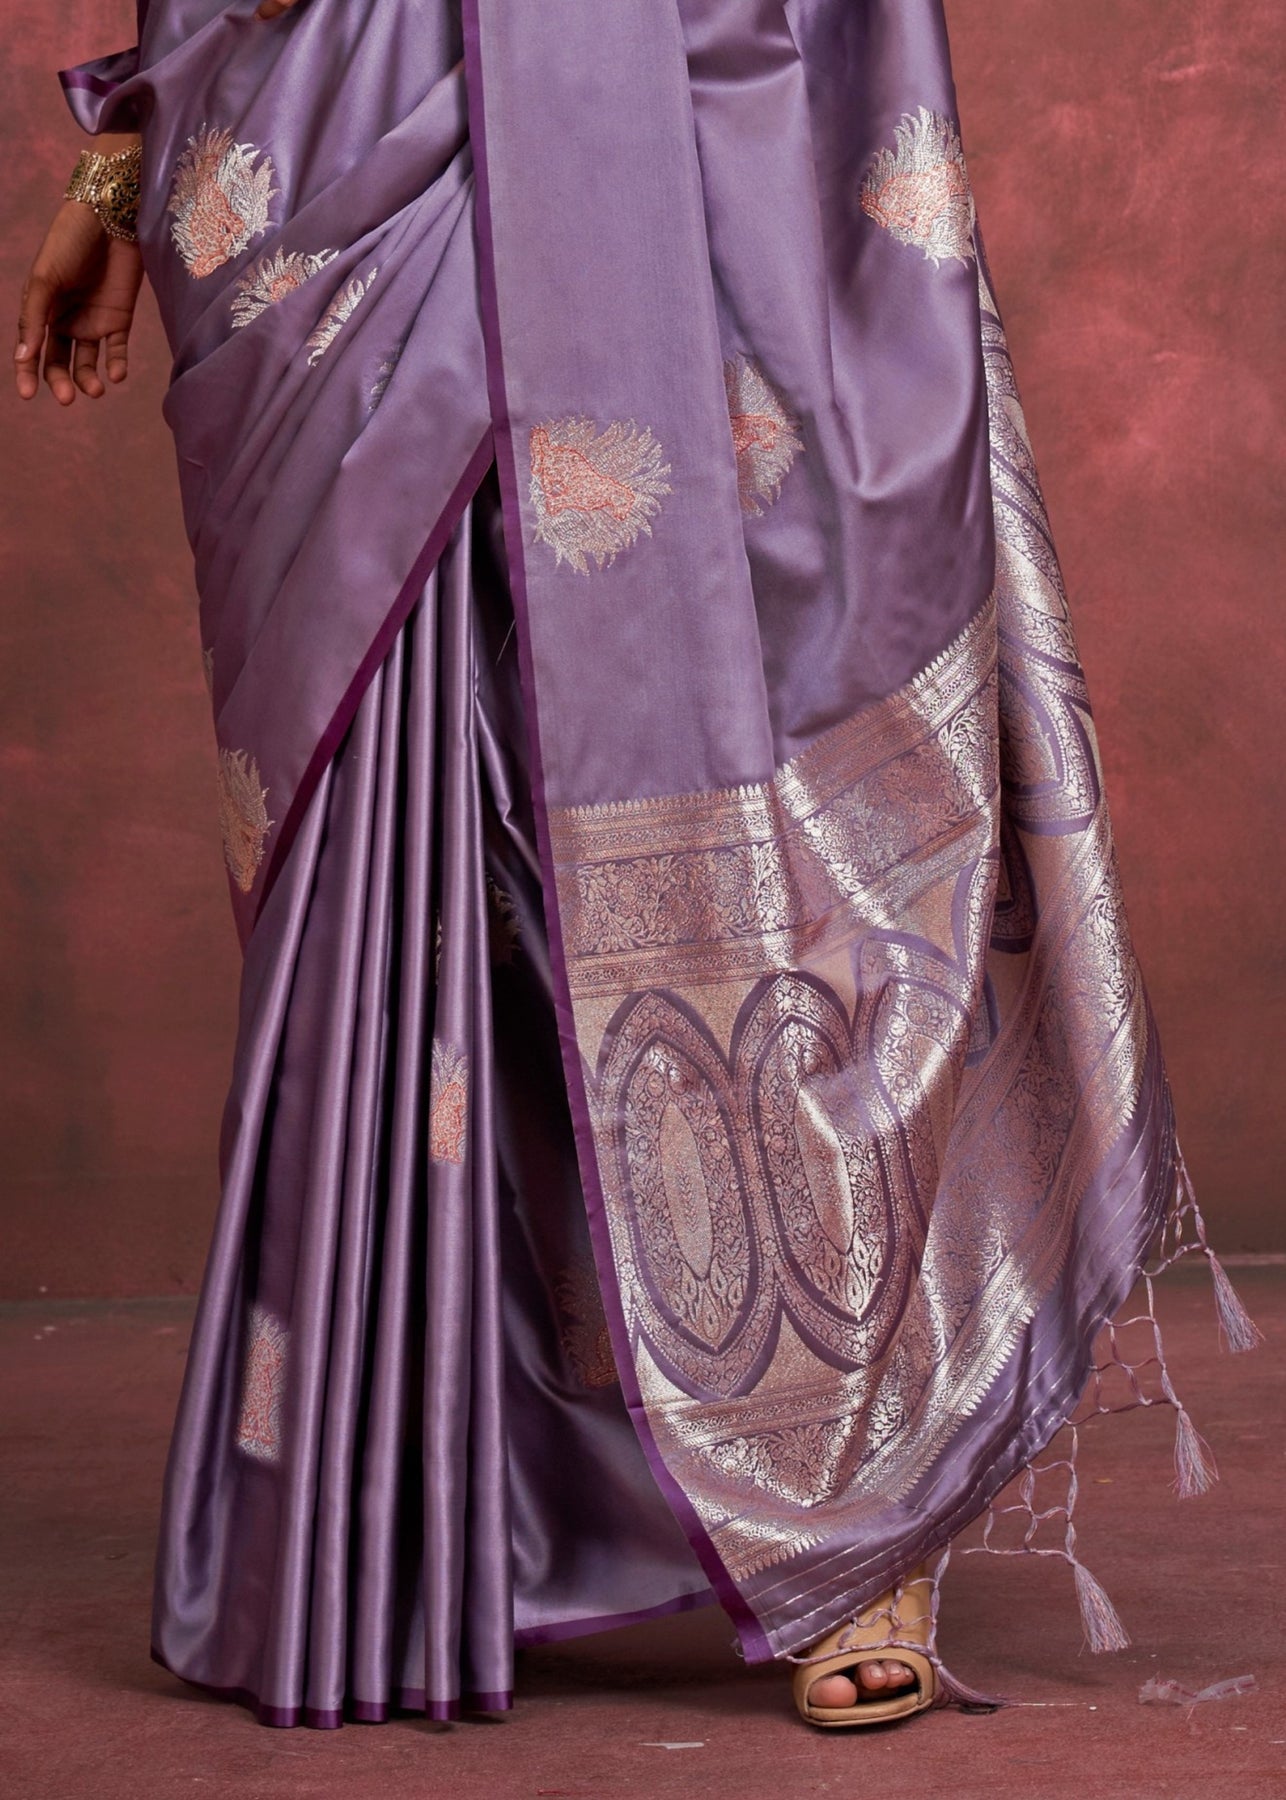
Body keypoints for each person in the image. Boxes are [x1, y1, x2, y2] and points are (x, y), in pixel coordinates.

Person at [15, 0, 1259, 1732]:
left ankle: (842, 1497)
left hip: (702, 87)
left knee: (745, 774)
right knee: (423, 800)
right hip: (352, 117)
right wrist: (126, 150)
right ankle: (424, 1498)